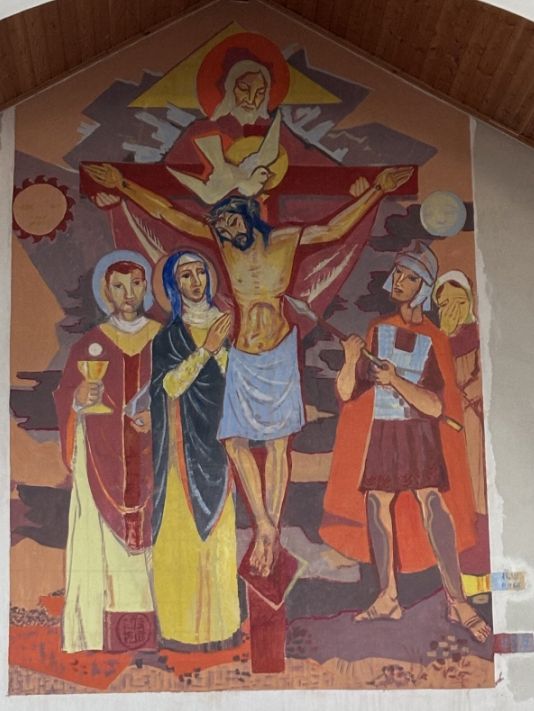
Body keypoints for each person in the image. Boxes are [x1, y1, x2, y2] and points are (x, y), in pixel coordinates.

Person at [83, 161, 413, 577]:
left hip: (278, 353)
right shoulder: (223, 248)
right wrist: (124, 184)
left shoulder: (286, 240)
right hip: (242, 353)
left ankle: (268, 531)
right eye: (219, 226)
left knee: (277, 446)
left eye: (230, 222)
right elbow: (169, 214)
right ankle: (264, 524)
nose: (224, 231)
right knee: (236, 442)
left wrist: (378, 190)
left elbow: (334, 229)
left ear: (249, 215)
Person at [320, 242, 491, 643]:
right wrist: (351, 359)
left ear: (424, 286)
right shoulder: (378, 329)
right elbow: (347, 392)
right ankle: (388, 596)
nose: (399, 281)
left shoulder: (434, 338)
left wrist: (395, 379)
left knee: (432, 501)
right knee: (376, 501)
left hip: (417, 433)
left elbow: (434, 406)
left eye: (410, 276)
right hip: (384, 431)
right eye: (398, 272)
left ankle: (457, 600)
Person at [54, 251, 161, 652]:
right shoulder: (91, 343)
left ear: (146, 288)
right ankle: (98, 635)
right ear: (106, 291)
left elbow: (180, 393)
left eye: (136, 284)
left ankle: (160, 633)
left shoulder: (164, 340)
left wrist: (159, 417)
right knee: (98, 542)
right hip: (101, 459)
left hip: (154, 459)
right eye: (118, 286)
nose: (128, 294)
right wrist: (78, 399)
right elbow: (66, 395)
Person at [150, 251, 241, 649]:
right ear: (174, 285)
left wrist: (221, 348)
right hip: (181, 449)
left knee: (220, 538)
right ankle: (181, 632)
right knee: (181, 536)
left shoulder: (227, 327)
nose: (195, 281)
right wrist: (206, 349)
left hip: (219, 444)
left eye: (200, 272)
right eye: (185, 276)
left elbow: (237, 380)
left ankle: (222, 630)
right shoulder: (168, 337)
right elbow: (169, 386)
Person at [434, 270, 487, 514]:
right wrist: (443, 338)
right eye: (445, 304)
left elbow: (485, 375)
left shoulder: (480, 334)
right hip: (446, 415)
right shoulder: (437, 341)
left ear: (470, 301)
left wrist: (465, 397)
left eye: (460, 301)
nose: (453, 309)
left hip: (473, 414)